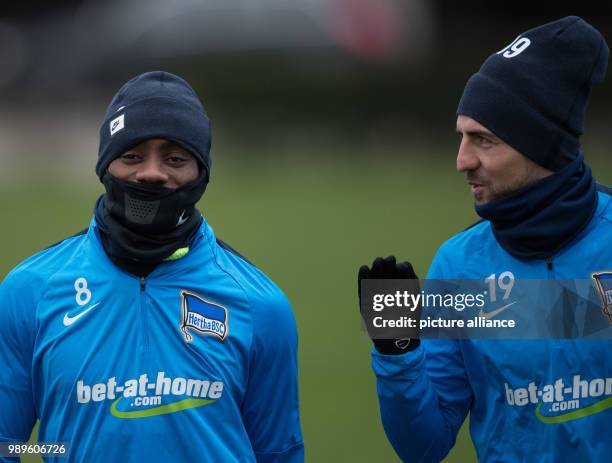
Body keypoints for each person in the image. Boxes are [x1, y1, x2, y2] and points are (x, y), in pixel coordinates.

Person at [0, 71, 304, 462]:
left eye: (175, 158)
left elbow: (278, 453)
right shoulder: (28, 292)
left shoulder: (260, 305)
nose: (152, 173)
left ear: (202, 173)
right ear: (105, 165)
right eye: (131, 156)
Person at [358, 16, 612, 462]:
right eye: (461, 137)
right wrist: (397, 350)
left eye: (484, 140)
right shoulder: (459, 267)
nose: (461, 160)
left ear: (542, 143)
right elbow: (423, 446)